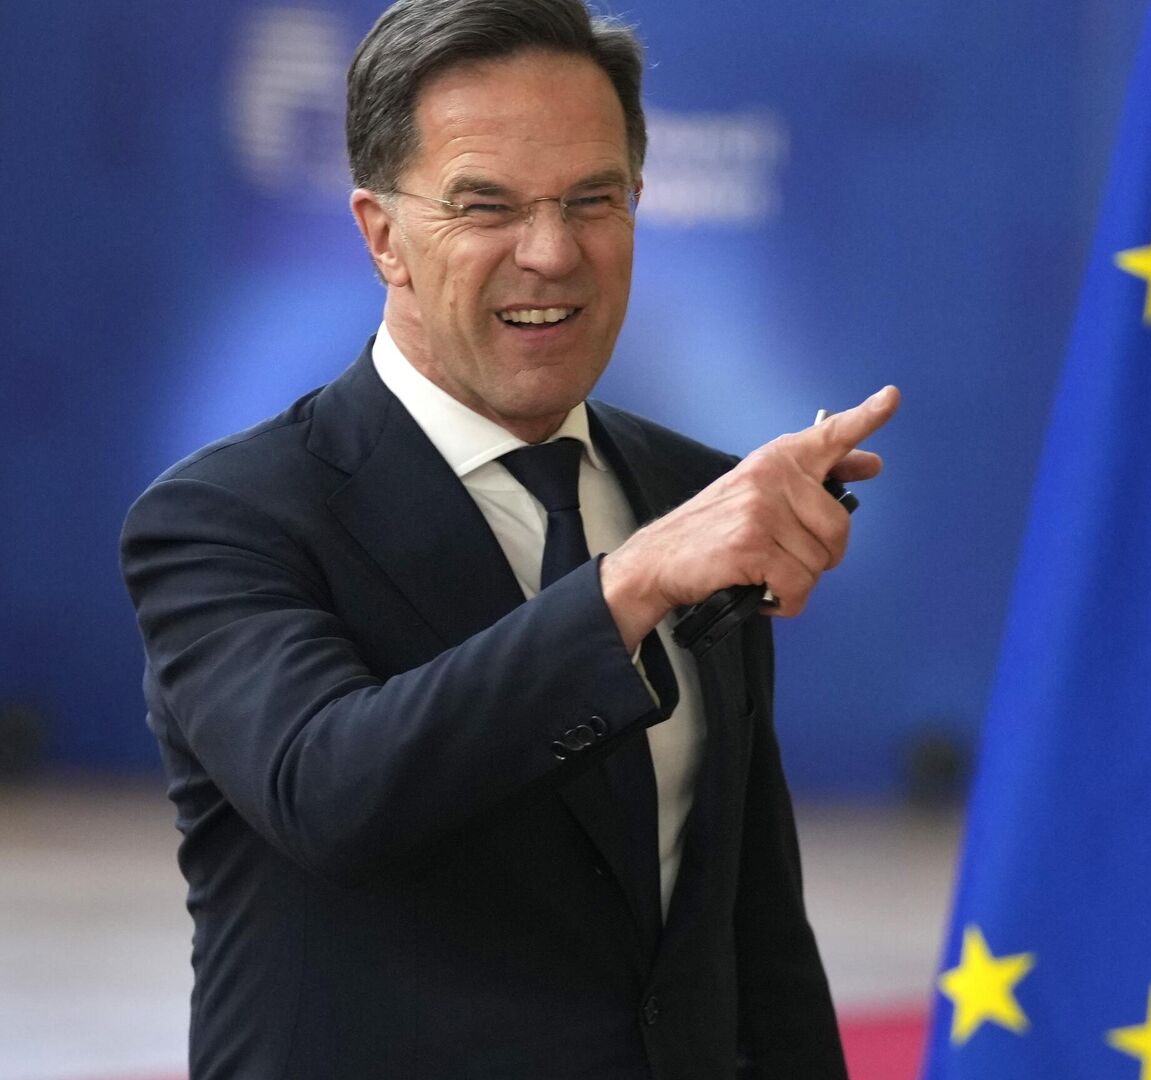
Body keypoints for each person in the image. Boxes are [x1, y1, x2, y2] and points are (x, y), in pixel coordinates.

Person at [118, 1, 898, 1076]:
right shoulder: (222, 517)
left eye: (593, 200)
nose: (552, 252)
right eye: (486, 206)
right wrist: (630, 583)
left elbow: (751, 926)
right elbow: (331, 792)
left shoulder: (692, 494)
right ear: (381, 234)